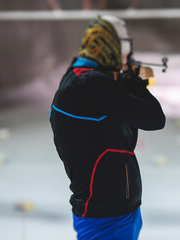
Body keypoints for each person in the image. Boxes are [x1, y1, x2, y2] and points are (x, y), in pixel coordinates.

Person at [49, 16, 165, 240]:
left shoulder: (82, 81)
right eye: (123, 50)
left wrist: (126, 83)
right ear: (110, 48)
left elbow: (122, 139)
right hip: (105, 214)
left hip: (117, 209)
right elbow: (154, 119)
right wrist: (135, 85)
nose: (126, 57)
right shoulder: (89, 84)